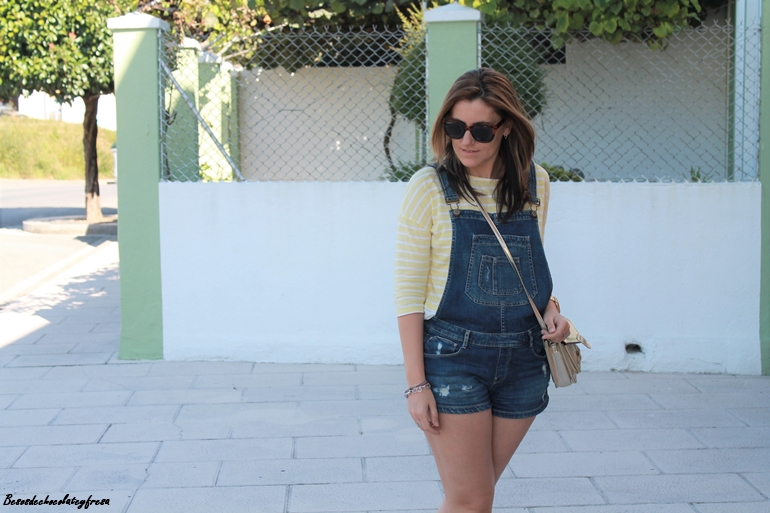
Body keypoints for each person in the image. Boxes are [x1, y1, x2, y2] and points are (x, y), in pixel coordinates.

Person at [394, 68, 570, 513]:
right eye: (455, 128)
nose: (466, 140)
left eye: (481, 130)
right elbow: (408, 294)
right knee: (472, 499)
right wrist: (416, 386)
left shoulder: (536, 183)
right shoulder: (429, 187)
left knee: (473, 498)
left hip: (525, 360)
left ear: (506, 128)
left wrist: (551, 308)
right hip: (454, 358)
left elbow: (528, 266)